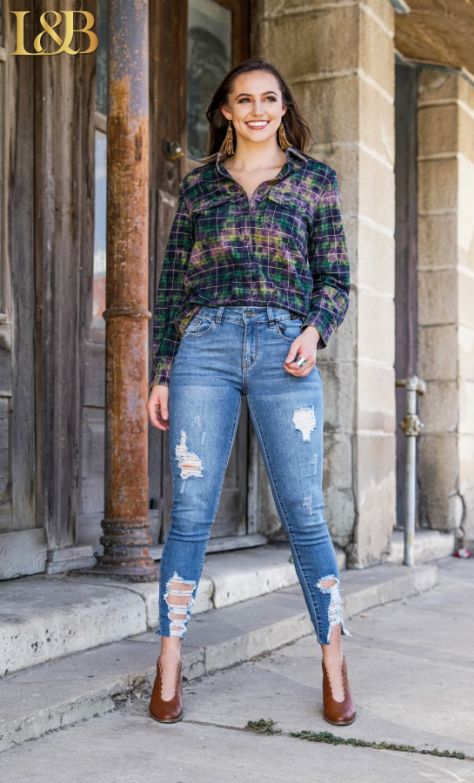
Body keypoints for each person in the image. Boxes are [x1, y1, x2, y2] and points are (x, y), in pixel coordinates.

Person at [147, 57, 354, 727]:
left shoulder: (315, 181)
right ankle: (169, 662)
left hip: (283, 350)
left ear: (283, 108)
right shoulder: (199, 187)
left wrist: (315, 331)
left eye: (269, 99)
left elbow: (335, 278)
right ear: (226, 112)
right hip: (204, 347)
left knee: (304, 511)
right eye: (244, 99)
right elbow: (172, 286)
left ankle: (333, 659)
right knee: (190, 510)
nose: (258, 110)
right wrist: (161, 370)